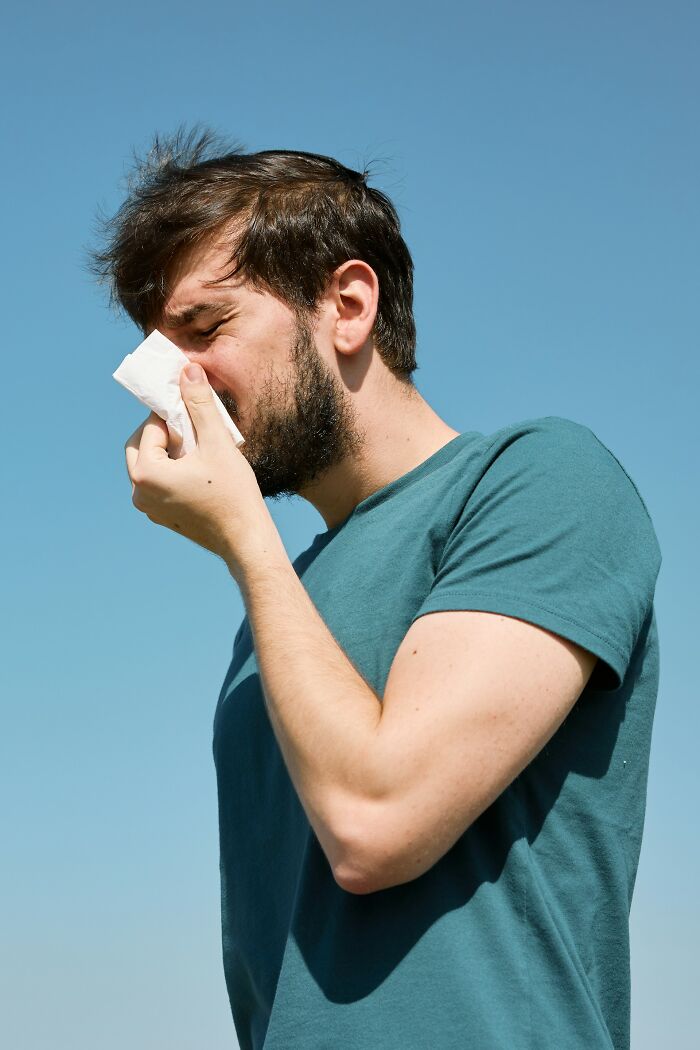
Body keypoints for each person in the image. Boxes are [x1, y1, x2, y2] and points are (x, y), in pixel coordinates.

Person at [93, 129, 662, 1050]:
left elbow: (376, 821)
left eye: (206, 331)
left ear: (348, 306)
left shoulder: (540, 481)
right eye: (160, 353)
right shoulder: (281, 607)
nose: (175, 386)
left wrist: (247, 539)